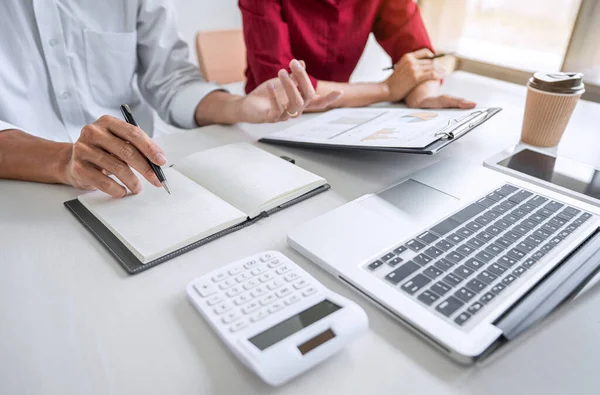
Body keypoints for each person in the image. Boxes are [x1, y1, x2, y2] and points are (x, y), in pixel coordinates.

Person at [0, 0, 342, 198]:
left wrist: (237, 107)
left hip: (133, 182)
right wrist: (64, 160)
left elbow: (170, 79)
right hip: (18, 193)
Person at [239, 0, 476, 110]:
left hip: (340, 115)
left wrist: (423, 96)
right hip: (267, 120)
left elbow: (420, 57)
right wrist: (386, 90)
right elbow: (281, 89)